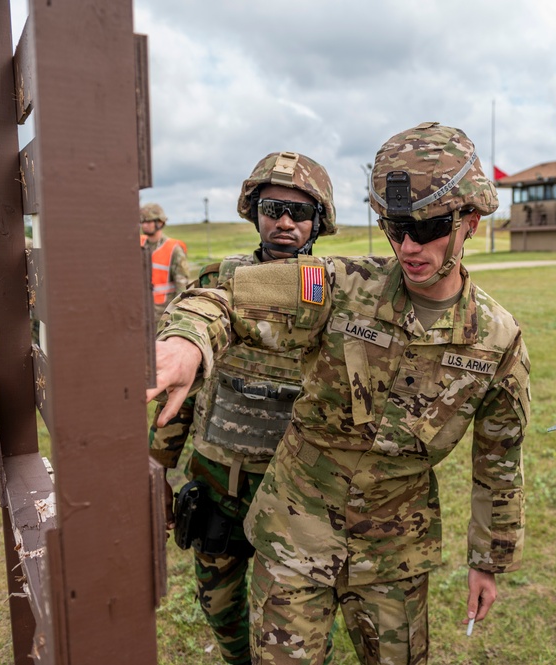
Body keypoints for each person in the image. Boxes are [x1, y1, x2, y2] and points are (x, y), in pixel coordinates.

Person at [149, 121, 529, 664]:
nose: (408, 246)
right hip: (293, 533)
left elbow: (500, 460)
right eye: (395, 228)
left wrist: (488, 559)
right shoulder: (340, 284)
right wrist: (189, 340)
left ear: (470, 219)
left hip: (394, 550)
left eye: (428, 229)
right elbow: (229, 293)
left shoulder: (497, 337)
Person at [149, 152, 337, 664]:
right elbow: (183, 389)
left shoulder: (338, 293)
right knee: (223, 613)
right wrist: (157, 466)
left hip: (295, 491)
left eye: (299, 213)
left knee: (294, 633)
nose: (285, 222)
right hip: (217, 484)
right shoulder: (220, 279)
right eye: (273, 208)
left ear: (319, 222)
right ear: (254, 211)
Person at [140, 202, 190, 321]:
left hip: (164, 314)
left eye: (148, 221)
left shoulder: (174, 250)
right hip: (141, 310)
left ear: (160, 223)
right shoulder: (139, 245)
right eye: (142, 222)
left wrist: (178, 314)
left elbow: (181, 284)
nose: (144, 225)